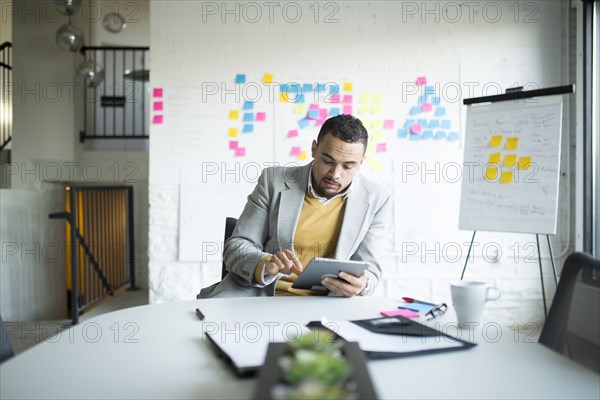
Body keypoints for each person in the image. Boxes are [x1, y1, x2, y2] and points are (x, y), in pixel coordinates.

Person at [197, 114, 391, 298]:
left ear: (361, 162)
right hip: (260, 298)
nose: (335, 174)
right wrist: (265, 264)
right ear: (314, 149)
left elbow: (370, 270)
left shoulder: (376, 199)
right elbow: (236, 248)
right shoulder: (274, 181)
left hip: (329, 306)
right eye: (327, 161)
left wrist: (363, 285)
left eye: (348, 166)